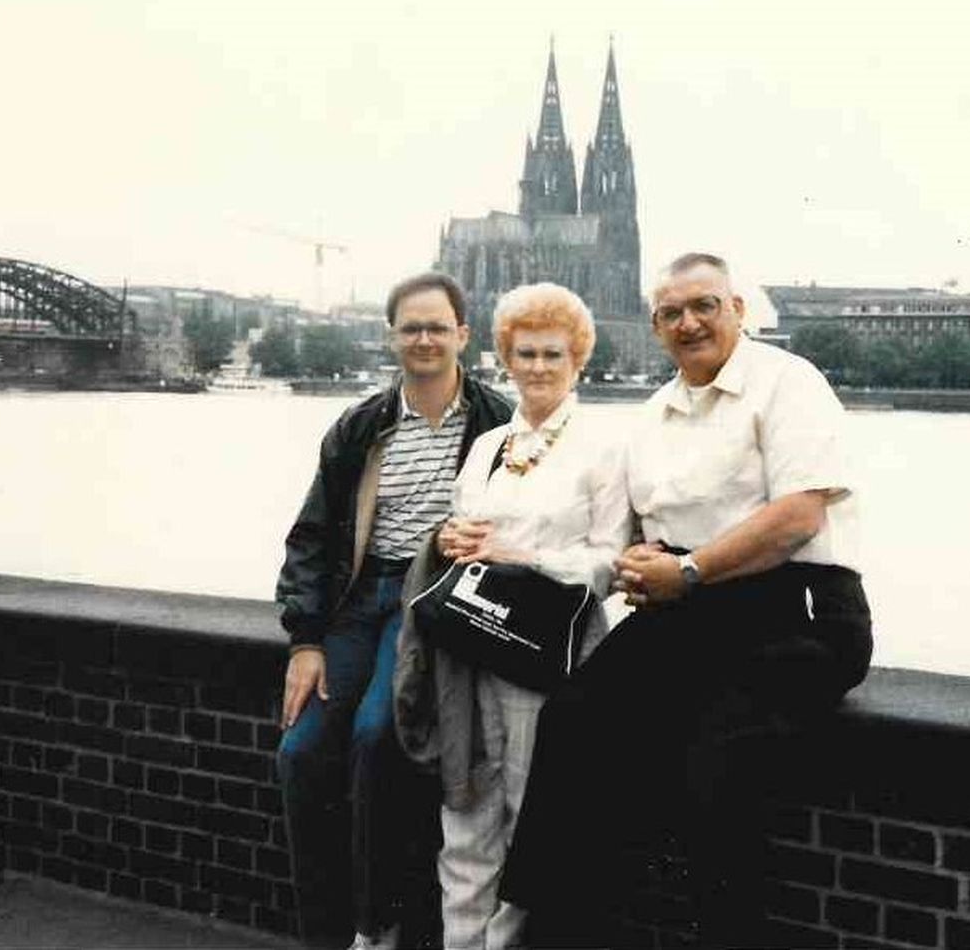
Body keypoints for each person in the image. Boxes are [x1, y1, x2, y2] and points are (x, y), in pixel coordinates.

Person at [500, 252, 873, 948]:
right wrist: (646, 559)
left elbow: (797, 517)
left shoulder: (789, 384)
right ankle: (551, 931)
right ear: (656, 325)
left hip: (799, 610)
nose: (689, 322)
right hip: (691, 607)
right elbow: (643, 531)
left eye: (704, 305)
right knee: (574, 724)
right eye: (671, 312)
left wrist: (690, 571)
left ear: (738, 308)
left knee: (715, 771)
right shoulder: (652, 416)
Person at [275, 271, 513, 950]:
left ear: (463, 334)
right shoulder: (358, 427)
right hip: (357, 603)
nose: (425, 338)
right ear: (392, 338)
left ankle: (375, 926)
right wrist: (304, 640)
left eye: (438, 326)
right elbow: (313, 538)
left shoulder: (498, 424)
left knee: (378, 735)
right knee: (300, 751)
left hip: (427, 601)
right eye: (411, 327)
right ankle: (323, 932)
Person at [394, 282, 630, 950]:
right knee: (464, 809)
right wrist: (449, 540)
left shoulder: (605, 449)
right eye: (524, 352)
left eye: (553, 352)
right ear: (504, 355)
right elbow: (461, 528)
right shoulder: (489, 444)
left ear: (578, 356)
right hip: (470, 650)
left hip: (546, 657)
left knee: (533, 820)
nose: (537, 366)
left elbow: (610, 562)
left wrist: (519, 551)